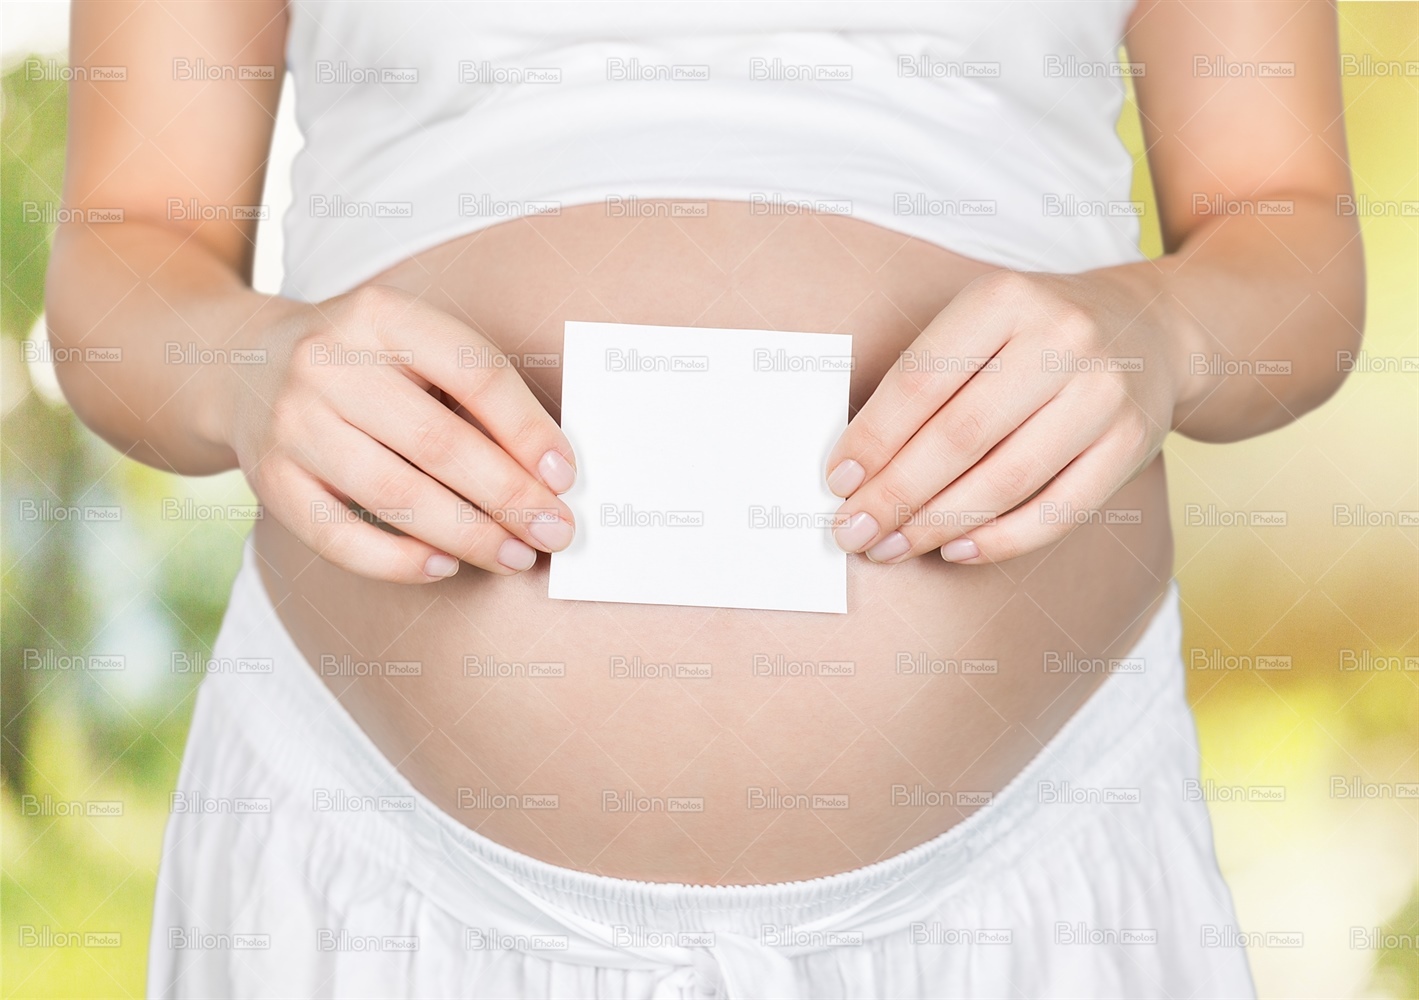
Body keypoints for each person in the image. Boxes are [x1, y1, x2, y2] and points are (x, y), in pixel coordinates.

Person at [48, 1, 1363, 997]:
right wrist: (243, 368)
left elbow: (1291, 234)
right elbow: (123, 256)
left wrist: (1167, 331)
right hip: (384, 871)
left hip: (1029, 875)